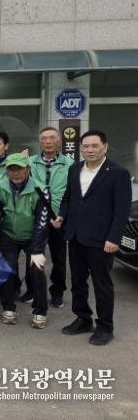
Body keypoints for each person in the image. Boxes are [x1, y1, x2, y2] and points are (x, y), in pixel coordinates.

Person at [53, 130, 131, 346]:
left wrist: (114, 238)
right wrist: (62, 216)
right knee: (78, 282)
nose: (90, 150)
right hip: (76, 236)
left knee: (102, 284)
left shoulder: (118, 173)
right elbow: (68, 198)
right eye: (86, 146)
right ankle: (83, 319)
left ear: (105, 147)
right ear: (80, 148)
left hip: (102, 239)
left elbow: (122, 210)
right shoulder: (75, 169)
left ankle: (105, 326)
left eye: (95, 146)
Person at [0, 153, 51, 328]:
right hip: (8, 235)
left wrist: (37, 248)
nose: (15, 173)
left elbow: (42, 221)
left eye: (19, 169)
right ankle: (8, 307)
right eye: (11, 169)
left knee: (37, 270)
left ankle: (40, 310)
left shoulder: (40, 189)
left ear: (28, 169)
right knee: (8, 269)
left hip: (33, 236)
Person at [23, 127, 74, 308]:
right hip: (36, 218)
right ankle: (32, 290)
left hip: (59, 218)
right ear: (40, 142)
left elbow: (72, 193)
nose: (48, 141)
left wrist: (63, 215)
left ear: (59, 141)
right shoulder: (29, 162)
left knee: (59, 259)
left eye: (52, 138)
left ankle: (57, 292)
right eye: (44, 138)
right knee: (34, 255)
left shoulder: (70, 164)